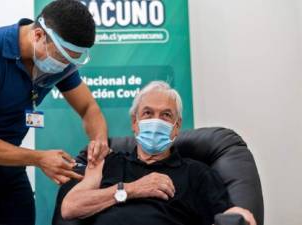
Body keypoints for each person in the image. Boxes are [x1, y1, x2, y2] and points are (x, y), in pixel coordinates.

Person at [0, 1, 109, 225]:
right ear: (37, 36)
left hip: (9, 160)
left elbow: (88, 108)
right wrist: (40, 158)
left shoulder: (59, 61)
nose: (65, 66)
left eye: (72, 61)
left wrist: (99, 139)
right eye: (62, 58)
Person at [54, 81, 256, 225]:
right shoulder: (109, 162)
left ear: (176, 127)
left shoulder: (197, 174)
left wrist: (241, 214)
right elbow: (70, 207)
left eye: (166, 115)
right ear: (135, 123)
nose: (156, 121)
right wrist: (132, 189)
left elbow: (228, 215)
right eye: (148, 113)